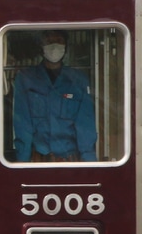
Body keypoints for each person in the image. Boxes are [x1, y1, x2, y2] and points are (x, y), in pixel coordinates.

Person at [12, 30, 98, 162]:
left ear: (66, 47)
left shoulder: (78, 80)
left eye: (59, 41)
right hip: (37, 160)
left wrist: (90, 165)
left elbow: (85, 127)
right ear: (41, 46)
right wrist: (21, 164)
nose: (54, 46)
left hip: (70, 160)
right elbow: (23, 126)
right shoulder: (26, 79)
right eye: (49, 41)